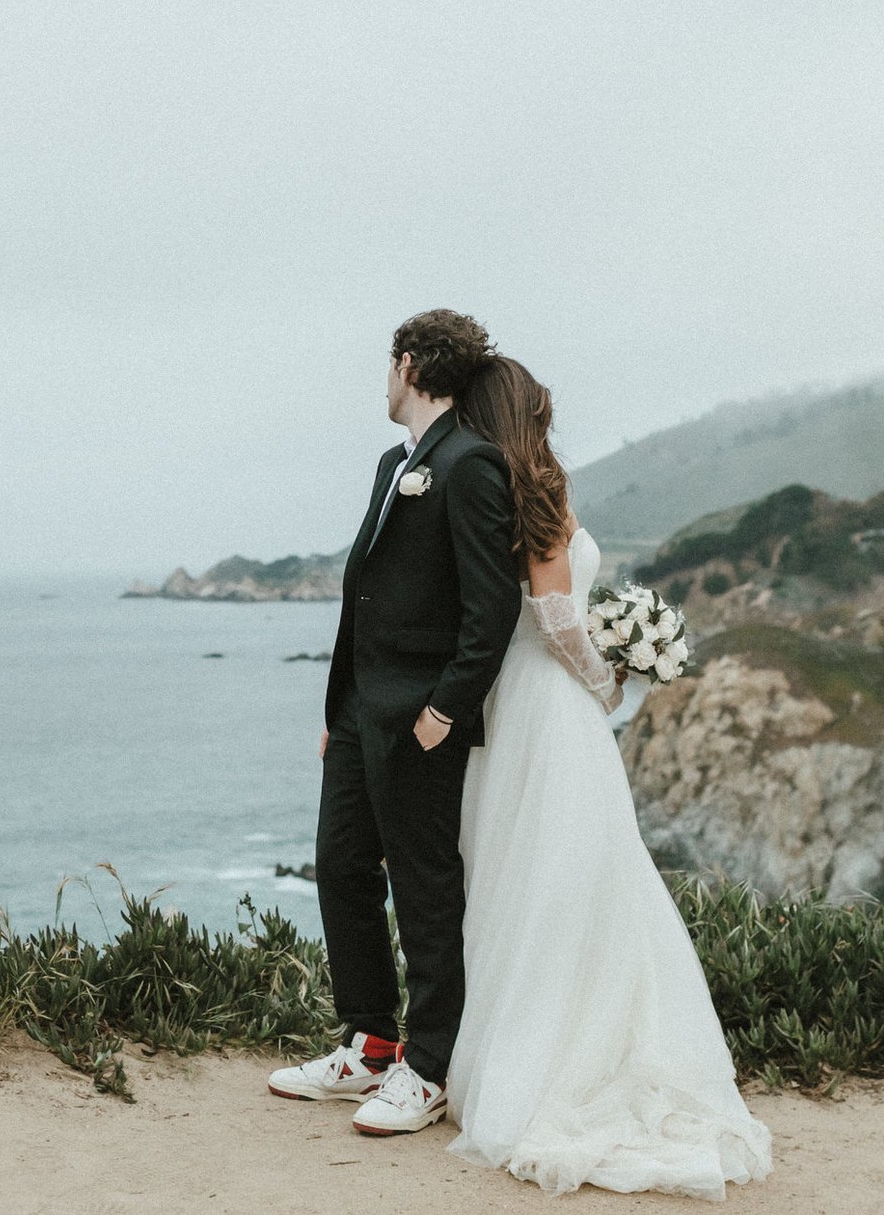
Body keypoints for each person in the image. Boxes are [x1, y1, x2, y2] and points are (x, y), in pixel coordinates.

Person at [441, 355, 773, 1197]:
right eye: (542, 408)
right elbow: (555, 614)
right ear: (529, 413)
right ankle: (567, 1067)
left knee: (520, 881)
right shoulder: (538, 484)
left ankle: (499, 1063)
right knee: (581, 879)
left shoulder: (476, 490)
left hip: (504, 708)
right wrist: (609, 680)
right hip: (554, 708)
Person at [266, 309, 519, 1135]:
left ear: (409, 365)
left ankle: (430, 1066)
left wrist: (445, 710)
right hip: (358, 713)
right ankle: (369, 1041)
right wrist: (337, 709)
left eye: (389, 364)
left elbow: (492, 608)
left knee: (424, 886)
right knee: (339, 864)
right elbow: (364, 596)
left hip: (419, 719)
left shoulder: (470, 465)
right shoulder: (393, 463)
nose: (384, 379)